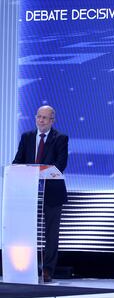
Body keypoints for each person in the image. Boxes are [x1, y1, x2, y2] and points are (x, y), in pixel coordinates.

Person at [13, 105, 69, 283]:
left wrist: (39, 172)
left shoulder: (60, 138)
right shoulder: (27, 137)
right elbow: (18, 161)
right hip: (28, 192)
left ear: (52, 120)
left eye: (45, 118)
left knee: (51, 233)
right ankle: (25, 266)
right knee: (26, 230)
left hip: (52, 192)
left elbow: (60, 164)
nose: (41, 120)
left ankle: (47, 270)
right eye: (39, 117)